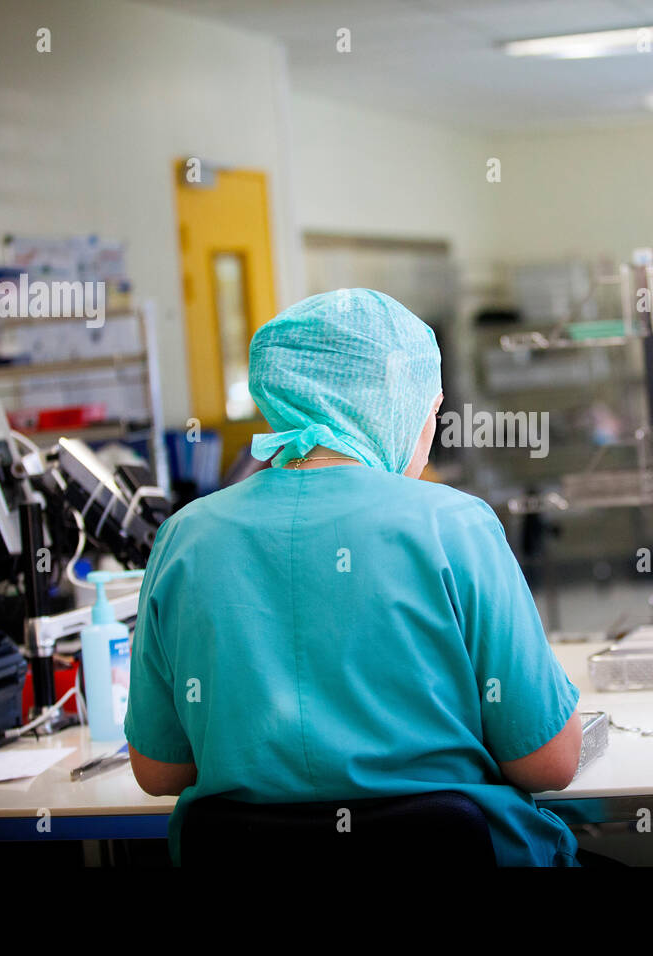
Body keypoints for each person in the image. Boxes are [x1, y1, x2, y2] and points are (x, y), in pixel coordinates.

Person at [125, 288, 583, 866]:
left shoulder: (186, 537)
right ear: (400, 408)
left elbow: (159, 769)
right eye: (430, 418)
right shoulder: (454, 524)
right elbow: (550, 761)